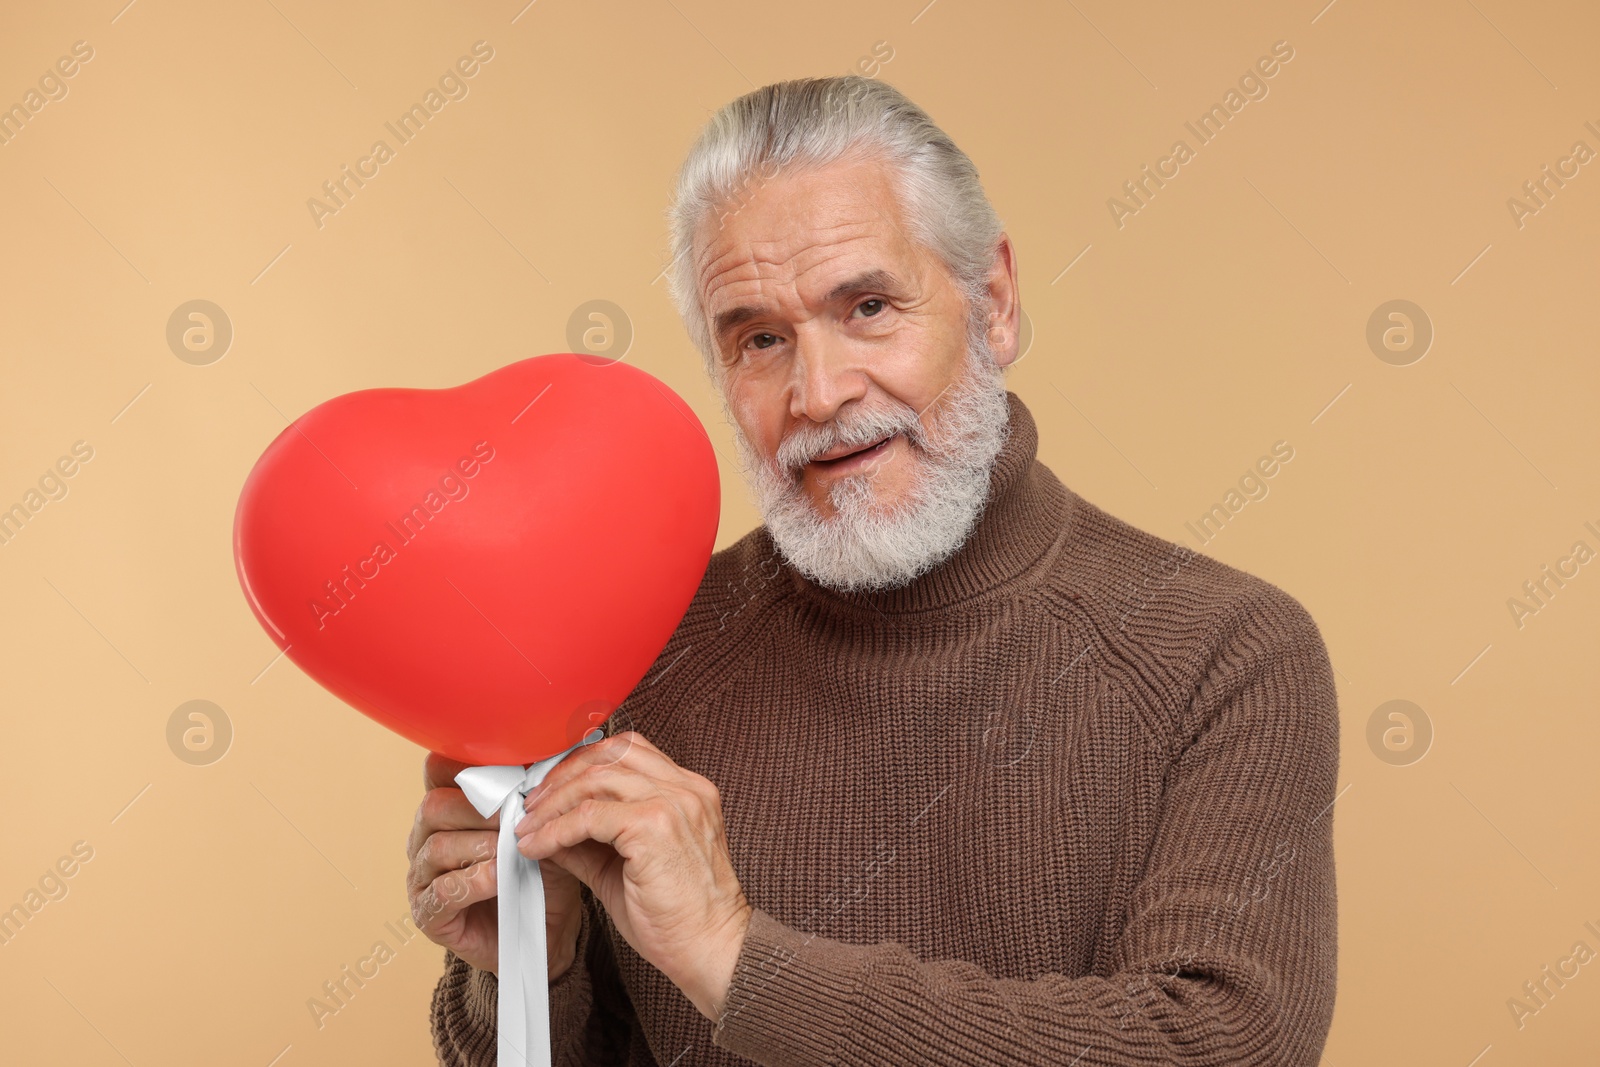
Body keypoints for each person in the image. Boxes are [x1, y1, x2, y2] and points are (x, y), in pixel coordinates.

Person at [409, 74, 1339, 1066]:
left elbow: (1222, 1047)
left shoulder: (1225, 650)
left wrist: (736, 958)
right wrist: (527, 972)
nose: (820, 391)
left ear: (993, 301)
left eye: (866, 307)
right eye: (760, 338)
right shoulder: (631, 655)